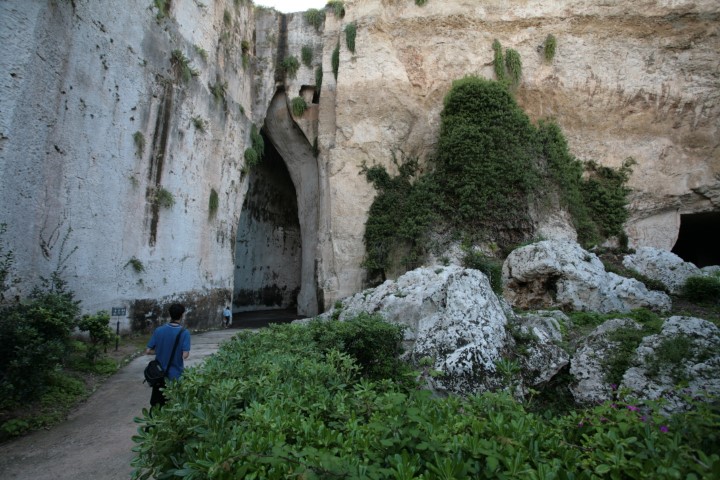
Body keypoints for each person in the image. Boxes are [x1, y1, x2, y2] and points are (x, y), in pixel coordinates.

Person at [145, 303, 191, 408]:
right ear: (182, 315)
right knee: (174, 405)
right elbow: (185, 355)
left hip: (159, 375)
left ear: (169, 314)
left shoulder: (159, 330)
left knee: (158, 404)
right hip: (175, 376)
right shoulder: (184, 333)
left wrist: (160, 351)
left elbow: (148, 351)